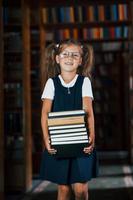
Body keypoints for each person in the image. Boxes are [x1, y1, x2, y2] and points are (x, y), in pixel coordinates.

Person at [40, 39, 98, 200]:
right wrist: (46, 138)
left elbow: (88, 111)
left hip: (80, 140)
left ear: (80, 60)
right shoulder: (51, 83)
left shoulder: (84, 82)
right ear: (57, 59)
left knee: (80, 189)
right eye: (65, 54)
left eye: (75, 55)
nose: (69, 58)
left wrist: (91, 135)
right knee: (64, 189)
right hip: (59, 141)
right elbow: (45, 113)